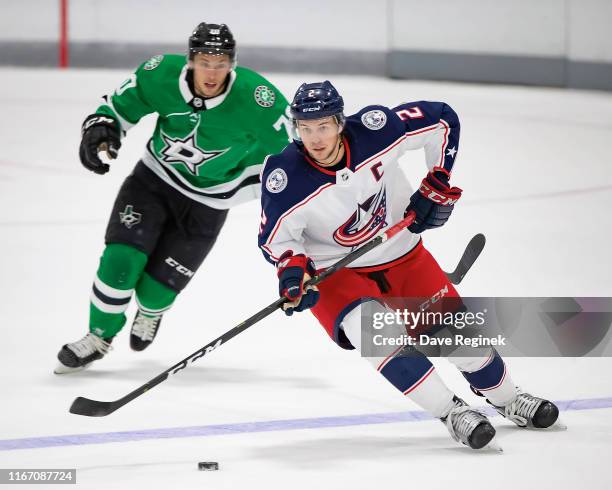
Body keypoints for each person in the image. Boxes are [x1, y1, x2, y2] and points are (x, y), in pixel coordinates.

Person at [258, 81, 559, 449]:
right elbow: (278, 240)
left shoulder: (376, 129)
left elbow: (442, 119)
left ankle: (509, 398)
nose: (315, 138)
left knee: (459, 342)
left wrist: (438, 179)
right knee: (378, 339)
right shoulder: (283, 177)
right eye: (305, 128)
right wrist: (293, 274)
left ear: (340, 122)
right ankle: (452, 413)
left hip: (404, 255)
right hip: (337, 273)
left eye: (323, 126)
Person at [55, 23, 291, 374]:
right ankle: (98, 337)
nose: (212, 71)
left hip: (211, 200)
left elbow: (298, 153)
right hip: (153, 180)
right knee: (120, 261)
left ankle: (150, 313)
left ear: (233, 64)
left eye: (221, 62)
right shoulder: (159, 74)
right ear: (190, 59)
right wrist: (101, 127)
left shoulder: (258, 98)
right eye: (204, 60)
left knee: (155, 292)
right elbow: (118, 108)